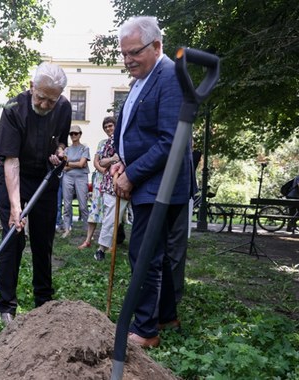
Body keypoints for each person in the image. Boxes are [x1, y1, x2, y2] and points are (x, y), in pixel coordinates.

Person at [109, 16, 193, 348]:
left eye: (134, 52)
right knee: (155, 251)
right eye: (124, 54)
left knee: (144, 254)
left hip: (161, 184)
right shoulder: (143, 79)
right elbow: (137, 131)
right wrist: (121, 161)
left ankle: (145, 331)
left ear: (157, 46)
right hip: (147, 178)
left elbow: (170, 139)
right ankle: (166, 314)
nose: (128, 60)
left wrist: (132, 173)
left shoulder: (170, 76)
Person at [0, 62, 72, 325]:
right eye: (41, 98)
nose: (46, 105)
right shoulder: (14, 110)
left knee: (43, 240)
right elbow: (10, 161)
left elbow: (61, 140)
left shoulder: (63, 107)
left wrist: (59, 151)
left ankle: (44, 303)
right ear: (31, 87)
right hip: (17, 176)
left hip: (46, 180)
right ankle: (6, 307)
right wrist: (16, 207)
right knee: (13, 238)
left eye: (52, 100)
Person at [80, 117, 125, 253]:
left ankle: (111, 244)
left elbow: (120, 158)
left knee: (113, 213)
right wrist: (105, 168)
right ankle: (88, 240)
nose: (108, 129)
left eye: (110, 126)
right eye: (105, 127)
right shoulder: (103, 143)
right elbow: (97, 162)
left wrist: (108, 164)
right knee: (95, 211)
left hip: (116, 179)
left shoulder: (120, 141)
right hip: (101, 181)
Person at [60, 125, 90, 238]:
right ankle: (67, 228)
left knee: (83, 205)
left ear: (80, 134)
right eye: (71, 133)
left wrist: (69, 164)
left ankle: (88, 230)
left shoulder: (85, 148)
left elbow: (82, 164)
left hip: (81, 178)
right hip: (67, 177)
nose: (73, 135)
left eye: (75, 133)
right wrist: (77, 164)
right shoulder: (67, 150)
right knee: (67, 205)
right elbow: (64, 167)